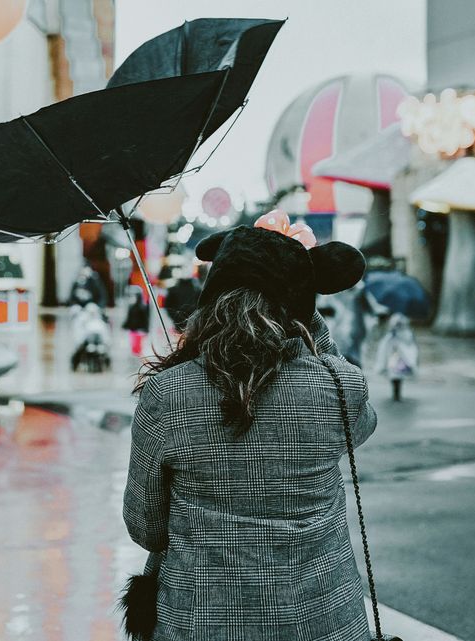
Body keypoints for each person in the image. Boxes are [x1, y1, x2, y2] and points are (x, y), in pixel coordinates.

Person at [123, 222, 376, 641]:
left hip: (201, 620)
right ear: (299, 306)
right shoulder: (338, 384)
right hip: (322, 618)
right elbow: (362, 426)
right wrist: (310, 322)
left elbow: (145, 527)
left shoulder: (167, 392)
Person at [373, 313, 419, 401]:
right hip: (394, 349)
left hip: (399, 348)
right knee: (394, 371)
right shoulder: (398, 318)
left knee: (397, 372)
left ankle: (397, 393)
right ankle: (396, 393)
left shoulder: (401, 318)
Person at [122, 288, 151, 356]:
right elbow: (129, 318)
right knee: (133, 347)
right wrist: (124, 326)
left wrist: (146, 329)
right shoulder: (131, 307)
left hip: (139, 330)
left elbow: (145, 319)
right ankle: (135, 358)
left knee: (138, 348)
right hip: (133, 330)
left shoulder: (142, 307)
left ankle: (137, 358)